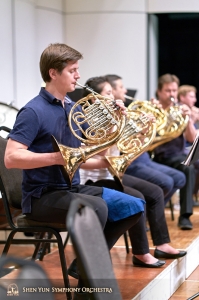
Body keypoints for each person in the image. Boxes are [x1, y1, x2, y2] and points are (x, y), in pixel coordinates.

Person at [4, 43, 148, 300]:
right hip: (41, 197)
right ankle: (87, 290)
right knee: (98, 207)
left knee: (134, 205)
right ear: (53, 73)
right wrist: (56, 157)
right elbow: (11, 158)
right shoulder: (33, 110)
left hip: (71, 188)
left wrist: (116, 124)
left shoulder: (72, 107)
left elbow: (84, 157)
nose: (78, 76)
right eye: (73, 70)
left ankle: (82, 269)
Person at [78, 76, 186, 263]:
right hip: (91, 180)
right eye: (109, 93)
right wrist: (114, 124)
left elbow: (128, 151)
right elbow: (102, 154)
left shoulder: (112, 119)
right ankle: (141, 253)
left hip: (111, 174)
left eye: (113, 92)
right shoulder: (86, 120)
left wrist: (144, 132)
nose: (114, 97)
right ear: (95, 99)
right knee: (137, 197)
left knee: (155, 192)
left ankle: (161, 245)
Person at [105, 74, 186, 206]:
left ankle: (150, 213)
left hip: (144, 158)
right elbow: (124, 142)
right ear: (112, 91)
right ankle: (149, 213)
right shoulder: (120, 112)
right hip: (131, 162)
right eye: (121, 87)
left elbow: (141, 137)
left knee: (180, 177)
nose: (125, 90)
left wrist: (149, 122)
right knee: (167, 182)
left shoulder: (128, 109)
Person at [152, 74, 196, 230]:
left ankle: (184, 216)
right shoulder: (152, 109)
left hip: (175, 156)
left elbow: (191, 138)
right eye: (167, 90)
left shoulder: (179, 111)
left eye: (174, 90)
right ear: (159, 91)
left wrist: (189, 120)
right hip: (152, 156)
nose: (171, 94)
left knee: (189, 166)